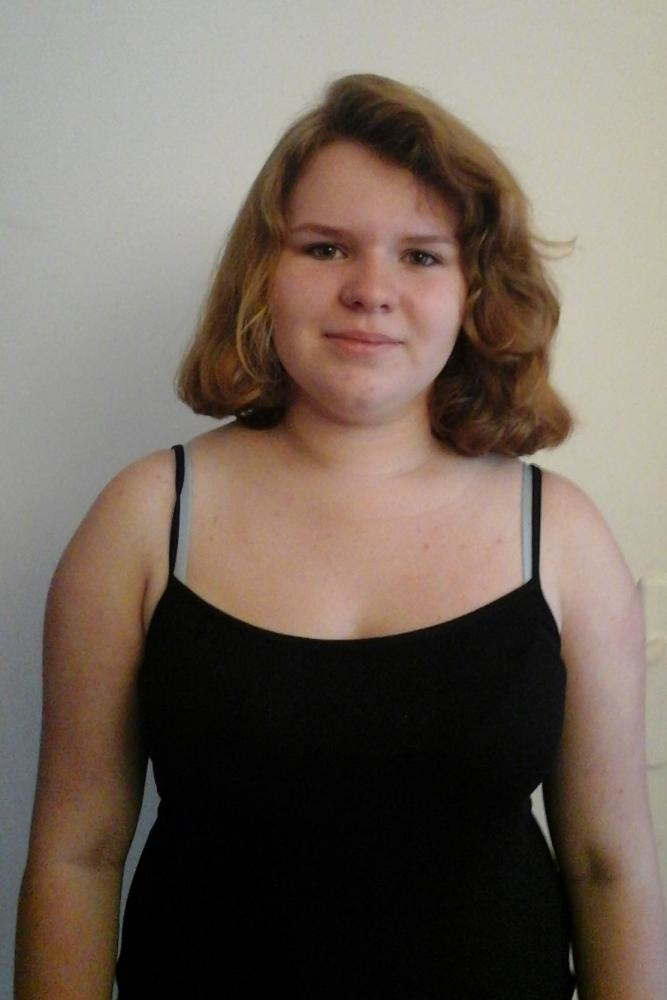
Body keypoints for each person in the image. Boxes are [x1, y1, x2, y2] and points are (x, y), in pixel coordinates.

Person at [15, 73, 667, 999]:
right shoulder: (143, 518)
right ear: (263, 273)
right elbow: (77, 855)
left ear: (475, 291)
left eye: (421, 256)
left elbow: (608, 867)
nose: (370, 291)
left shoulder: (560, 533)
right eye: (325, 248)